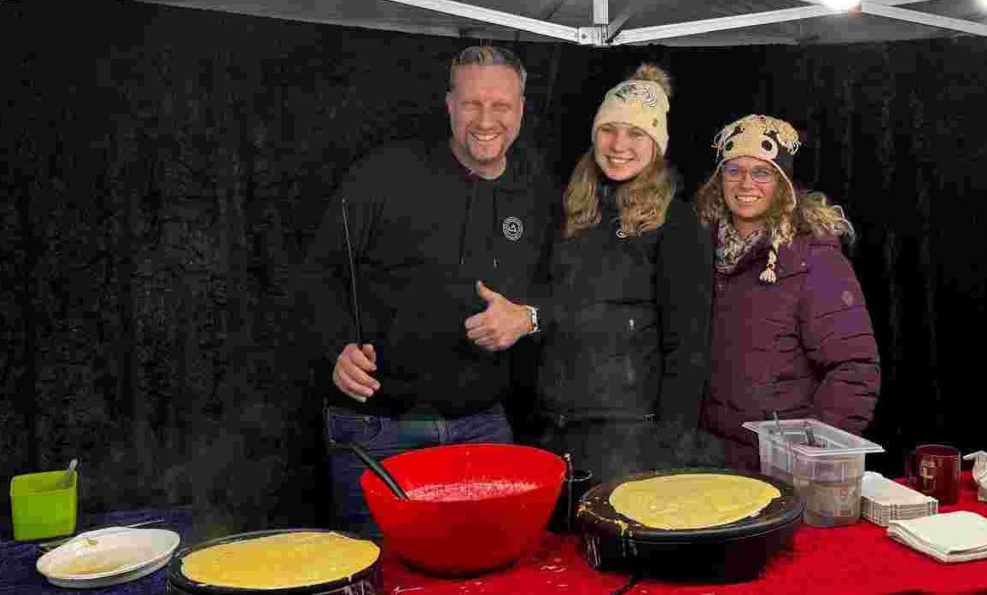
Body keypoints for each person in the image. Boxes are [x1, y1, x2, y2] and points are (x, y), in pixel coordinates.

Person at [303, 45, 555, 536]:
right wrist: (336, 347)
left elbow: (565, 291)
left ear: (522, 110)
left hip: (483, 428)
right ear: (449, 106)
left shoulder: (539, 192)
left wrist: (529, 317)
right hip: (376, 430)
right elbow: (318, 272)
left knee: (484, 580)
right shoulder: (383, 174)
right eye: (471, 104)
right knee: (379, 581)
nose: (486, 119)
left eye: (501, 105)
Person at [489, 64, 714, 484]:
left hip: (630, 435)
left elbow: (688, 348)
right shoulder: (569, 210)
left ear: (657, 145)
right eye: (609, 129)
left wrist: (669, 449)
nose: (619, 145)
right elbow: (550, 305)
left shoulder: (678, 224)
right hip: (551, 426)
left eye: (635, 134)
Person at [696, 114, 881, 470]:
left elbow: (855, 368)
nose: (745, 183)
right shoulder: (698, 251)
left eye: (762, 172)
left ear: (782, 183)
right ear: (719, 181)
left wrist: (804, 456)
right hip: (708, 461)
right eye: (733, 171)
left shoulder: (812, 258)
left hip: (776, 466)